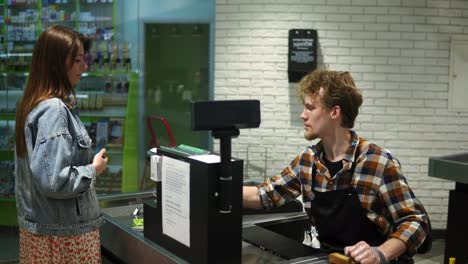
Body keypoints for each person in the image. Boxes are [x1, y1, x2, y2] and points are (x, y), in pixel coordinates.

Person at [243, 69, 430, 264]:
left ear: (334, 112)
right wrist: (217, 189)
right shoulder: (308, 161)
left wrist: (380, 253)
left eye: (310, 108)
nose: (302, 115)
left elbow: (416, 222)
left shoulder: (377, 162)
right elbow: (266, 194)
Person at [14, 25, 108, 263]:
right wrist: (93, 169)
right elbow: (55, 182)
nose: (84, 66)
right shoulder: (54, 110)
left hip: (44, 233)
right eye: (77, 60)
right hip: (63, 237)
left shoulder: (33, 104)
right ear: (57, 64)